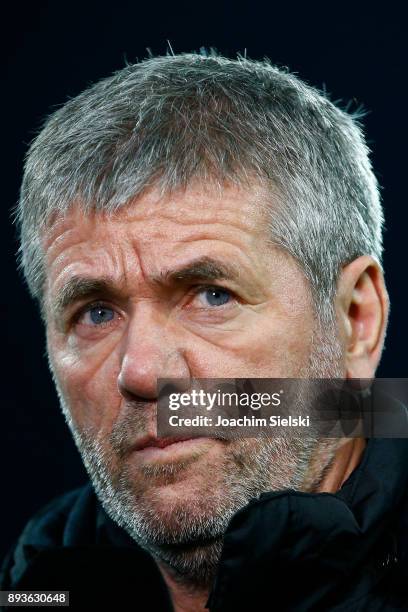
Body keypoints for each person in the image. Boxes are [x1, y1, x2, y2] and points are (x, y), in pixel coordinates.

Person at [1, 52, 407, 611]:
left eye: (212, 295)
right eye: (96, 313)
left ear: (356, 320)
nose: (141, 372)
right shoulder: (39, 581)